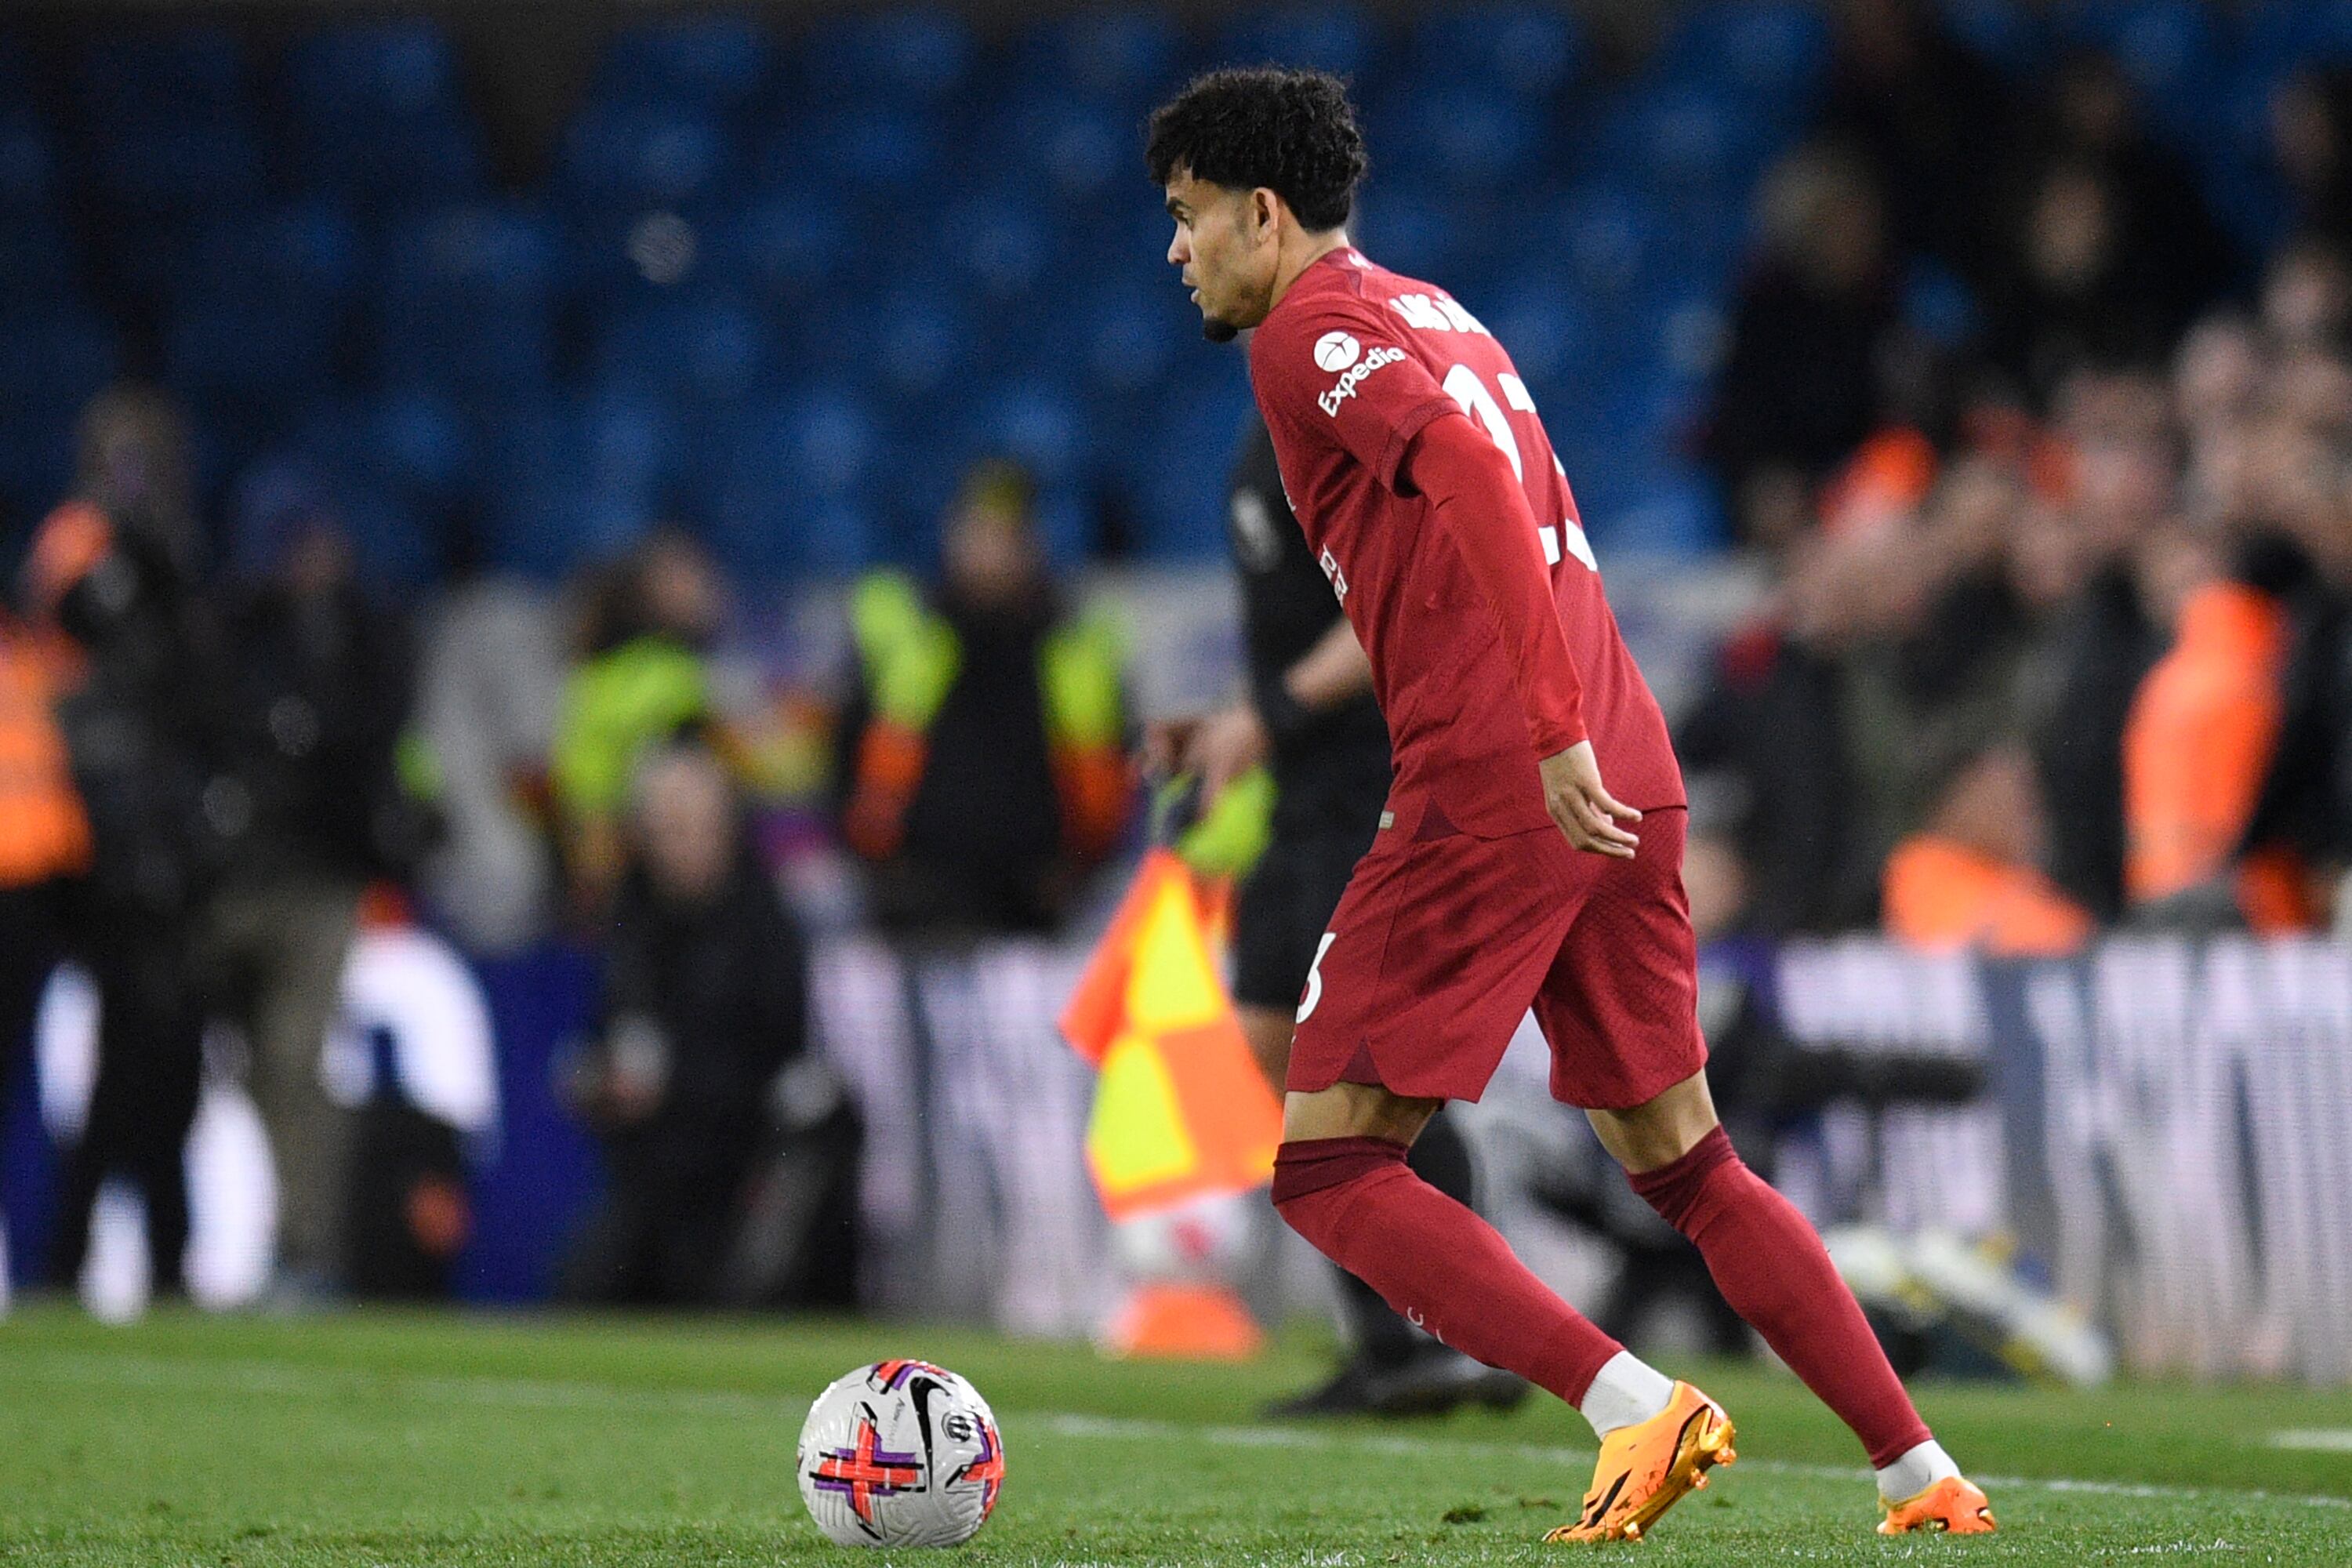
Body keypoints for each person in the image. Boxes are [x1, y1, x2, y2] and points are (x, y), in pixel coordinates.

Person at [1145, 68, 1993, 1541]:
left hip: (1507, 774)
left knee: (1333, 1163)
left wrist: (1541, 736)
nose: (1179, 252)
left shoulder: (1305, 334)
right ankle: (1920, 1472)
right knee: (1691, 1162)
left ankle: (1635, 1407)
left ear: (1262, 215)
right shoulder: (1444, 310)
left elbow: (1468, 470)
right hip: (1628, 765)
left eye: (1189, 218)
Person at [1152, 410, 1519, 1417]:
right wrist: (1235, 720)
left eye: (1196, 235)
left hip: (1381, 779)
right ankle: (1403, 1342)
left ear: (1266, 236)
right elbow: (1302, 622)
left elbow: (1398, 600)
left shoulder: (1336, 402)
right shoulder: (1257, 424)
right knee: (1280, 1037)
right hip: (1304, 793)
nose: (1183, 249)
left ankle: (1468, 1325)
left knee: (1362, 1066)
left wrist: (1264, 716)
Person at [557, 741, 850, 1306]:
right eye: (666, 829)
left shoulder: (764, 925)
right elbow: (607, 1032)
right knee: (585, 1284)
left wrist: (672, 1087)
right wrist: (601, 1082)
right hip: (653, 1178)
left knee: (733, 1287)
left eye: (694, 827)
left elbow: (779, 1066)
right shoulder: (634, 919)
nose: (681, 846)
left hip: (742, 1173)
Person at [836, 462, 1131, 935]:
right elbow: (845, 761)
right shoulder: (904, 635)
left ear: (1032, 544)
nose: (990, 551)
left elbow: (1115, 776)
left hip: (1038, 918)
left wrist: (1072, 875)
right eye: (978, 532)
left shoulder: (1074, 648)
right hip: (912, 910)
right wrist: (880, 871)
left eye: (1007, 536)